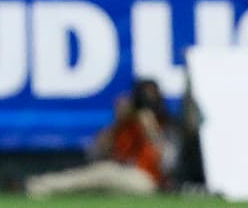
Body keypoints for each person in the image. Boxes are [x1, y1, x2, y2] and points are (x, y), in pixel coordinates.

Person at [25, 78, 172, 196]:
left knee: (103, 172)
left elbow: (166, 159)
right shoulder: (126, 124)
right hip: (122, 175)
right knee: (98, 174)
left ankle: (43, 185)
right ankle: (42, 185)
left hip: (147, 181)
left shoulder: (164, 122)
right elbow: (96, 151)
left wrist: (149, 126)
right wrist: (118, 122)